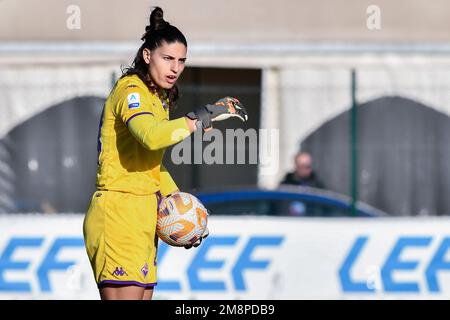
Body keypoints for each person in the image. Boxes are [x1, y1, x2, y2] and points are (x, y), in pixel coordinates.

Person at [82, 7, 248, 300]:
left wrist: (183, 211)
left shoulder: (158, 98)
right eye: (167, 58)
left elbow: (152, 167)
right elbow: (150, 137)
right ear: (147, 56)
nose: (175, 68)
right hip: (118, 213)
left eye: (181, 61)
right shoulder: (130, 90)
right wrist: (200, 117)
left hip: (144, 214)